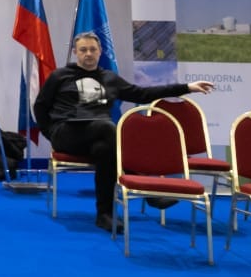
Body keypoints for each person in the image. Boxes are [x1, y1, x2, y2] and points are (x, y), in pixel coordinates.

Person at [34, 31, 214, 232]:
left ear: (100, 51)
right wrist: (50, 133)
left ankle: (105, 215)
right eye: (83, 50)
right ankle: (149, 191)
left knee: (105, 149)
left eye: (92, 49)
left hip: (100, 137)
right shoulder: (59, 76)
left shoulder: (110, 78)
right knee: (109, 127)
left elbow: (143, 94)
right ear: (75, 52)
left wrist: (187, 87)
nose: (88, 54)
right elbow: (40, 107)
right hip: (66, 132)